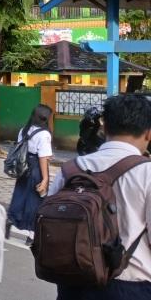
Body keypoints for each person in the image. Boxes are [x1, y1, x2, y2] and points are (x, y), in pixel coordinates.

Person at [48, 94, 151, 300]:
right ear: (148, 134)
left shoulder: (71, 169)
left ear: (104, 129)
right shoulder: (147, 173)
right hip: (129, 286)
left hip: (73, 283)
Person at [6, 104, 53, 244]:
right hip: (36, 168)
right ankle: (32, 235)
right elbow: (43, 158)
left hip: (23, 167)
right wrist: (45, 179)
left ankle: (11, 219)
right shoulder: (44, 134)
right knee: (36, 200)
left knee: (20, 194)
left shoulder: (23, 130)